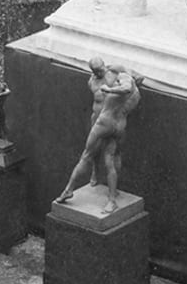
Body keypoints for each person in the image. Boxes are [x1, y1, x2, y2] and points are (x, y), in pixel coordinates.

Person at [55, 58, 143, 207]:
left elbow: (128, 87)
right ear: (94, 72)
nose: (101, 72)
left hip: (106, 121)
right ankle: (111, 197)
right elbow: (129, 91)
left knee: (89, 156)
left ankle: (69, 190)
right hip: (114, 121)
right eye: (97, 71)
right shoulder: (97, 82)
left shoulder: (119, 74)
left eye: (102, 69)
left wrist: (110, 89)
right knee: (108, 158)